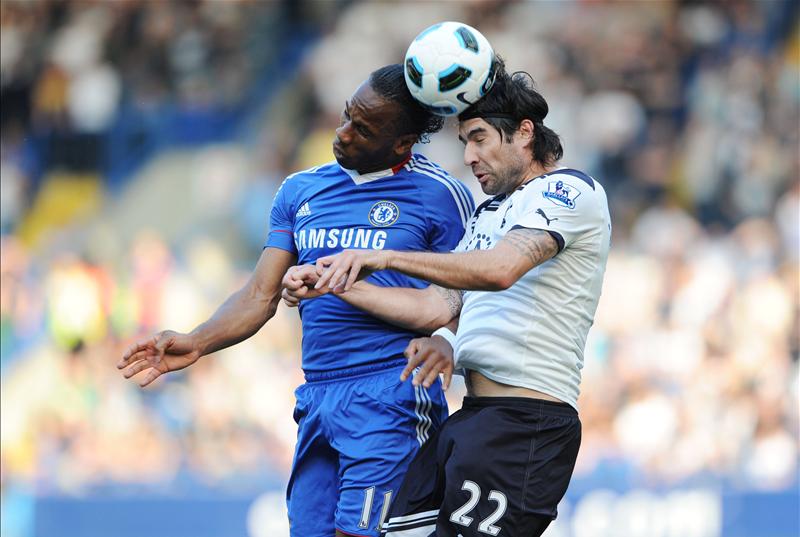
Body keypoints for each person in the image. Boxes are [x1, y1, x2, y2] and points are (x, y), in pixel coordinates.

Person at [116, 64, 475, 537]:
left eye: (362, 129)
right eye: (346, 116)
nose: (342, 134)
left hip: (393, 390)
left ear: (402, 143)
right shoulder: (301, 190)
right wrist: (198, 341)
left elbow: (464, 295)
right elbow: (259, 294)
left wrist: (447, 339)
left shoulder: (441, 195)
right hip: (318, 396)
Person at [283, 64, 611, 536]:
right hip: (472, 421)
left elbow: (500, 270)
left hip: (526, 425)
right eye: (464, 144)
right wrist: (335, 280)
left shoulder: (569, 191)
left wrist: (384, 257)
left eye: (479, 139)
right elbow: (434, 308)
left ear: (524, 133)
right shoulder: (488, 215)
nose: (470, 156)